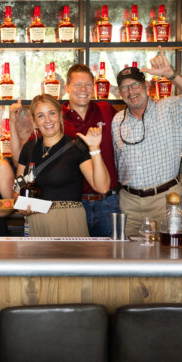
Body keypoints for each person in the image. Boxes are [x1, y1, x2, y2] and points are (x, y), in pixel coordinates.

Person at [112, 45, 182, 236]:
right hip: (128, 202)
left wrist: (171, 74)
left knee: (168, 256)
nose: (131, 91)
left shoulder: (169, 108)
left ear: (147, 86)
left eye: (135, 85)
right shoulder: (116, 120)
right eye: (125, 88)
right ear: (120, 93)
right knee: (127, 259)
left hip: (165, 200)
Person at [16, 95, 109, 237]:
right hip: (35, 222)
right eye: (41, 116)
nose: (47, 120)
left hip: (68, 221)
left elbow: (102, 187)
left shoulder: (77, 146)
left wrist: (95, 148)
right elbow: (18, 190)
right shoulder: (29, 148)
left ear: (60, 116)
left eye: (52, 113)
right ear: (35, 122)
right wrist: (22, 207)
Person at [62, 64, 120, 237]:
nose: (83, 89)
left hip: (108, 202)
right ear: (66, 88)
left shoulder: (106, 110)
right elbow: (29, 154)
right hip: (74, 204)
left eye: (88, 85)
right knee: (75, 258)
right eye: (77, 84)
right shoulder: (56, 118)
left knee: (111, 258)